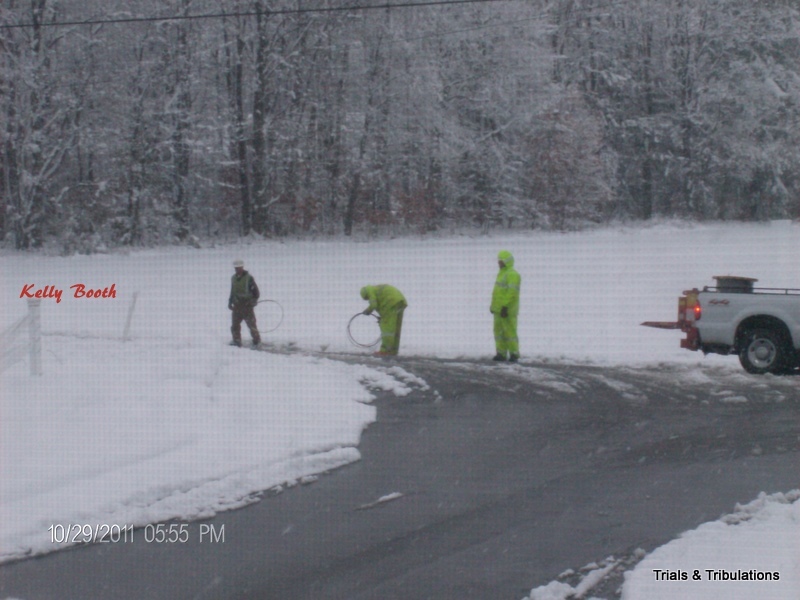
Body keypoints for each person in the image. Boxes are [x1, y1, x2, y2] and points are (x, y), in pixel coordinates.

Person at [490, 250, 521, 362]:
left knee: (509, 332)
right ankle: (501, 354)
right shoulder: (502, 274)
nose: (499, 263)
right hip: (498, 310)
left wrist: (505, 306)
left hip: (507, 310)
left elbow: (512, 293)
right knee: (498, 332)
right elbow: (497, 292)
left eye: (500, 261)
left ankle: (514, 354)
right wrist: (493, 306)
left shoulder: (513, 274)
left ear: (506, 261)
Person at [360, 284, 408, 356]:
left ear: (365, 294)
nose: (368, 299)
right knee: (395, 329)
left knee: (387, 329)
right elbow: (381, 304)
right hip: (400, 301)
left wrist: (367, 311)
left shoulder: (370, 291)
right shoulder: (377, 289)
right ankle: (393, 350)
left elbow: (374, 305)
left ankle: (385, 350)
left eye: (367, 298)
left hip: (391, 303)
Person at [228, 259, 261, 348]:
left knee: (252, 326)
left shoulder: (249, 278)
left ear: (242, 267)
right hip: (237, 306)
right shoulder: (233, 278)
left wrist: (252, 302)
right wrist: (230, 302)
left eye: (239, 267)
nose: (237, 269)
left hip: (247, 306)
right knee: (235, 326)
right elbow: (233, 291)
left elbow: (256, 293)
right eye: (236, 268)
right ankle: (236, 341)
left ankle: (256, 341)